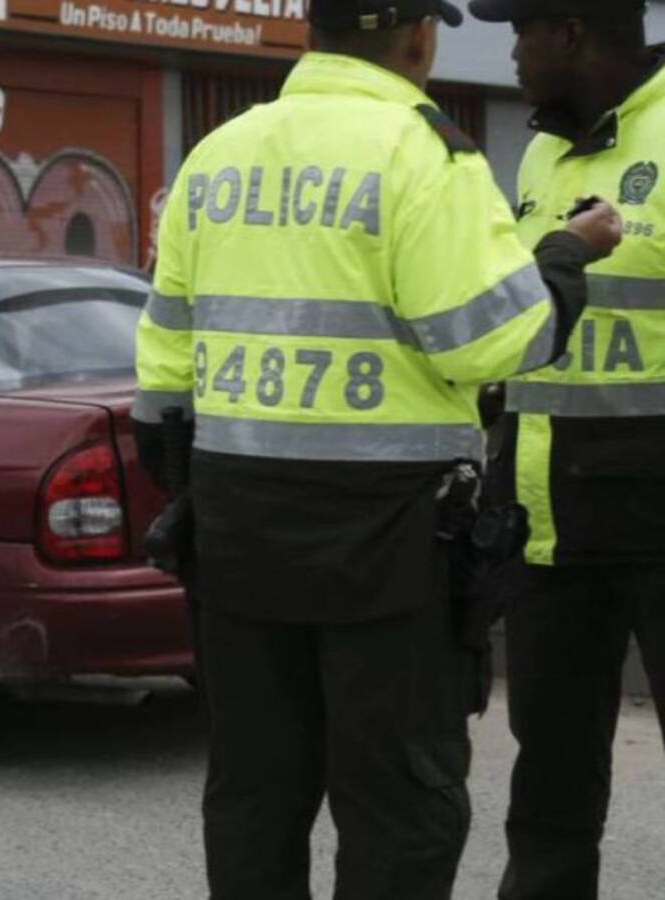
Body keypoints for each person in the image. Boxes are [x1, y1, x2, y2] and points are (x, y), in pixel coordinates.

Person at [132, 0, 625, 895]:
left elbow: (164, 364)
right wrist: (562, 255)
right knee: (399, 812)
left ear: (311, 31)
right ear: (419, 36)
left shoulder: (220, 152)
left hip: (237, 538)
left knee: (253, 799)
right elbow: (492, 340)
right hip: (389, 549)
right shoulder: (425, 154)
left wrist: (202, 492)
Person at [466, 2, 665, 897]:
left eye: (524, 31)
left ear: (574, 33)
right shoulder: (541, 152)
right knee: (548, 791)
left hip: (657, 526)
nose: (512, 51)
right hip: (547, 527)